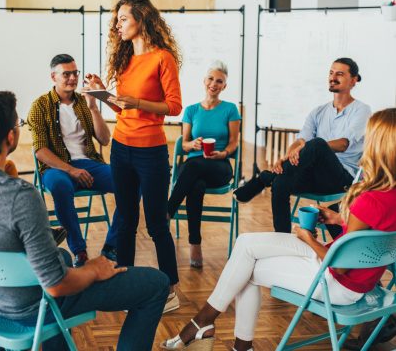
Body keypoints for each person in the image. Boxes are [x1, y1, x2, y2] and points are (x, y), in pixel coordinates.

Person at [0, 91, 170, 351]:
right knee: (156, 284)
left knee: (62, 257)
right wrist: (94, 269)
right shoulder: (20, 196)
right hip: (33, 306)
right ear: (11, 137)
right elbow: (56, 285)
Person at [161, 107, 396, 351]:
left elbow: (340, 265)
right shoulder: (388, 195)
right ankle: (216, 332)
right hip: (356, 280)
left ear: (379, 145)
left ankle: (206, 325)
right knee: (244, 245)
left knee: (247, 269)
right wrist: (338, 219)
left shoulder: (369, 199)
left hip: (335, 282)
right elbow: (368, 235)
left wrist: (307, 238)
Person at [91, 0, 182, 313]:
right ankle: (127, 286)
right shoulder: (124, 58)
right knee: (125, 219)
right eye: (116, 20)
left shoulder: (162, 58)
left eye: (123, 19)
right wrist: (104, 93)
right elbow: (121, 105)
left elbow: (174, 106)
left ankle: (170, 289)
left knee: (157, 223)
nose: (117, 25)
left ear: (142, 19)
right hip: (121, 147)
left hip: (151, 151)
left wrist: (138, 103)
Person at [234, 57, 371, 233]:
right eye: (331, 72)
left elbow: (343, 144)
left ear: (354, 80)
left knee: (318, 144)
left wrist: (305, 149)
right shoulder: (318, 111)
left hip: (342, 178)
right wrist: (286, 156)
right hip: (314, 176)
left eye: (340, 74)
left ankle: (264, 178)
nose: (332, 77)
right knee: (281, 182)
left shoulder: (362, 110)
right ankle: (282, 239)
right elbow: (300, 141)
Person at [27, 54, 121, 267]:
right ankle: (79, 251)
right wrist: (70, 170)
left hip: (89, 163)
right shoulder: (40, 106)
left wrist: (94, 106)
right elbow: (41, 151)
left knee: (131, 183)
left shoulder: (83, 103)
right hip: (56, 167)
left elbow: (104, 139)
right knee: (60, 186)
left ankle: (112, 247)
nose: (72, 78)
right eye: (66, 74)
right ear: (54, 76)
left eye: (75, 73)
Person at [167, 61, 240, 268]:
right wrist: (193, 144)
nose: (214, 84)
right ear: (204, 81)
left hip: (219, 166)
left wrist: (223, 153)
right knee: (195, 184)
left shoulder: (230, 109)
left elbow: (234, 141)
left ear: (224, 86)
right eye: (211, 79)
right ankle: (195, 245)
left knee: (192, 169)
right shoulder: (191, 110)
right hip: (194, 164)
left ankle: (167, 211)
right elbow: (185, 142)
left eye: (219, 81)